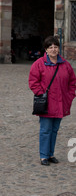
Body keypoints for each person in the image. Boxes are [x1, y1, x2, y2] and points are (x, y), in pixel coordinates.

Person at [29, 35, 76, 166]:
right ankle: (43, 156)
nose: (54, 49)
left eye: (56, 47)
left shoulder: (65, 65)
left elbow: (72, 82)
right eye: (50, 47)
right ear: (46, 50)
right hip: (47, 103)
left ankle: (50, 154)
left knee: (54, 130)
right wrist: (41, 94)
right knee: (45, 130)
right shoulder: (39, 64)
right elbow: (33, 82)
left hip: (61, 103)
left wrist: (69, 95)